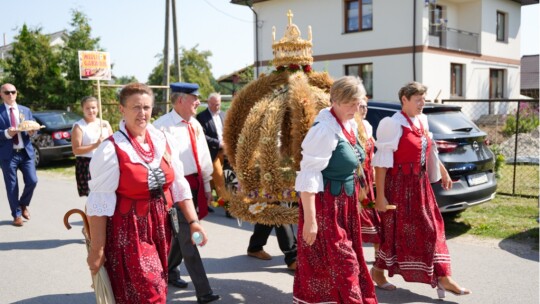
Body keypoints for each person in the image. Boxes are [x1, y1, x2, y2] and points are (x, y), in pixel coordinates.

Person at [85, 83, 207, 303]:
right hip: (129, 231)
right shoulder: (111, 149)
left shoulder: (162, 139)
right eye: (136, 107)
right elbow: (99, 203)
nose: (142, 113)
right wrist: (97, 249)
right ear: (122, 109)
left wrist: (193, 221)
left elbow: (178, 184)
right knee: (151, 293)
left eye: (147, 107)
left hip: (161, 227)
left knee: (157, 286)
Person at [371, 81, 471, 299]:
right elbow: (381, 162)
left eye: (424, 99)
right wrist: (380, 196)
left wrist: (443, 171)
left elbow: (430, 149)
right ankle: (378, 272)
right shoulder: (392, 124)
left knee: (433, 228)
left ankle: (443, 277)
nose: (422, 103)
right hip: (398, 187)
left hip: (420, 185)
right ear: (404, 100)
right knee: (395, 234)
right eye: (418, 99)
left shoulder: (422, 120)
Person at [293, 76, 378, 303]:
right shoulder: (324, 130)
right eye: (350, 104)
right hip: (327, 207)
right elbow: (308, 176)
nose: (355, 108)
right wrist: (311, 221)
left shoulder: (347, 125)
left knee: (344, 264)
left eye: (358, 103)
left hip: (345, 206)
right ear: (335, 101)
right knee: (345, 263)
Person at [154, 82, 220, 304]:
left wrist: (208, 187)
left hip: (195, 185)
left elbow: (203, 158)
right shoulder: (162, 127)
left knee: (181, 234)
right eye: (195, 98)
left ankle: (171, 270)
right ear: (181, 99)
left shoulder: (196, 125)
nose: (198, 102)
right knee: (189, 235)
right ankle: (204, 291)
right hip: (174, 189)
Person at [0, 83, 38, 227]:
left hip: (25, 152)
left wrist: (32, 132)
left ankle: (23, 204)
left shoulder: (25, 110)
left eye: (13, 92)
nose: (10, 95)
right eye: (7, 92)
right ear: (1, 95)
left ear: (16, 93)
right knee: (12, 186)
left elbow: (34, 127)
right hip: (8, 154)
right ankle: (16, 215)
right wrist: (6, 133)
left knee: (33, 180)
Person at [356, 98, 383, 268]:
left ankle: (377, 254)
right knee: (359, 217)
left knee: (374, 216)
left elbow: (371, 150)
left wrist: (372, 166)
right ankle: (354, 254)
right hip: (356, 177)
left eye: (366, 106)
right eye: (361, 106)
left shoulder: (367, 125)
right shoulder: (349, 125)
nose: (364, 109)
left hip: (367, 176)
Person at [71, 96, 113, 197]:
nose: (91, 110)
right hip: (87, 164)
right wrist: (96, 145)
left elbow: (113, 143)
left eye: (93, 107)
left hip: (104, 163)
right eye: (87, 108)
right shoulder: (79, 126)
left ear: (98, 109)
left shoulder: (105, 124)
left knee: (107, 196)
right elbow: (76, 150)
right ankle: (89, 213)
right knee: (92, 197)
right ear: (83, 109)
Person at [195, 92, 228, 216]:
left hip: (224, 153)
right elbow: (203, 137)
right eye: (214, 104)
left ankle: (204, 203)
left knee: (211, 181)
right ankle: (228, 208)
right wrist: (218, 143)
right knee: (220, 179)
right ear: (208, 103)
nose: (216, 107)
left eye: (218, 104)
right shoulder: (201, 117)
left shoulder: (224, 115)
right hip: (211, 152)